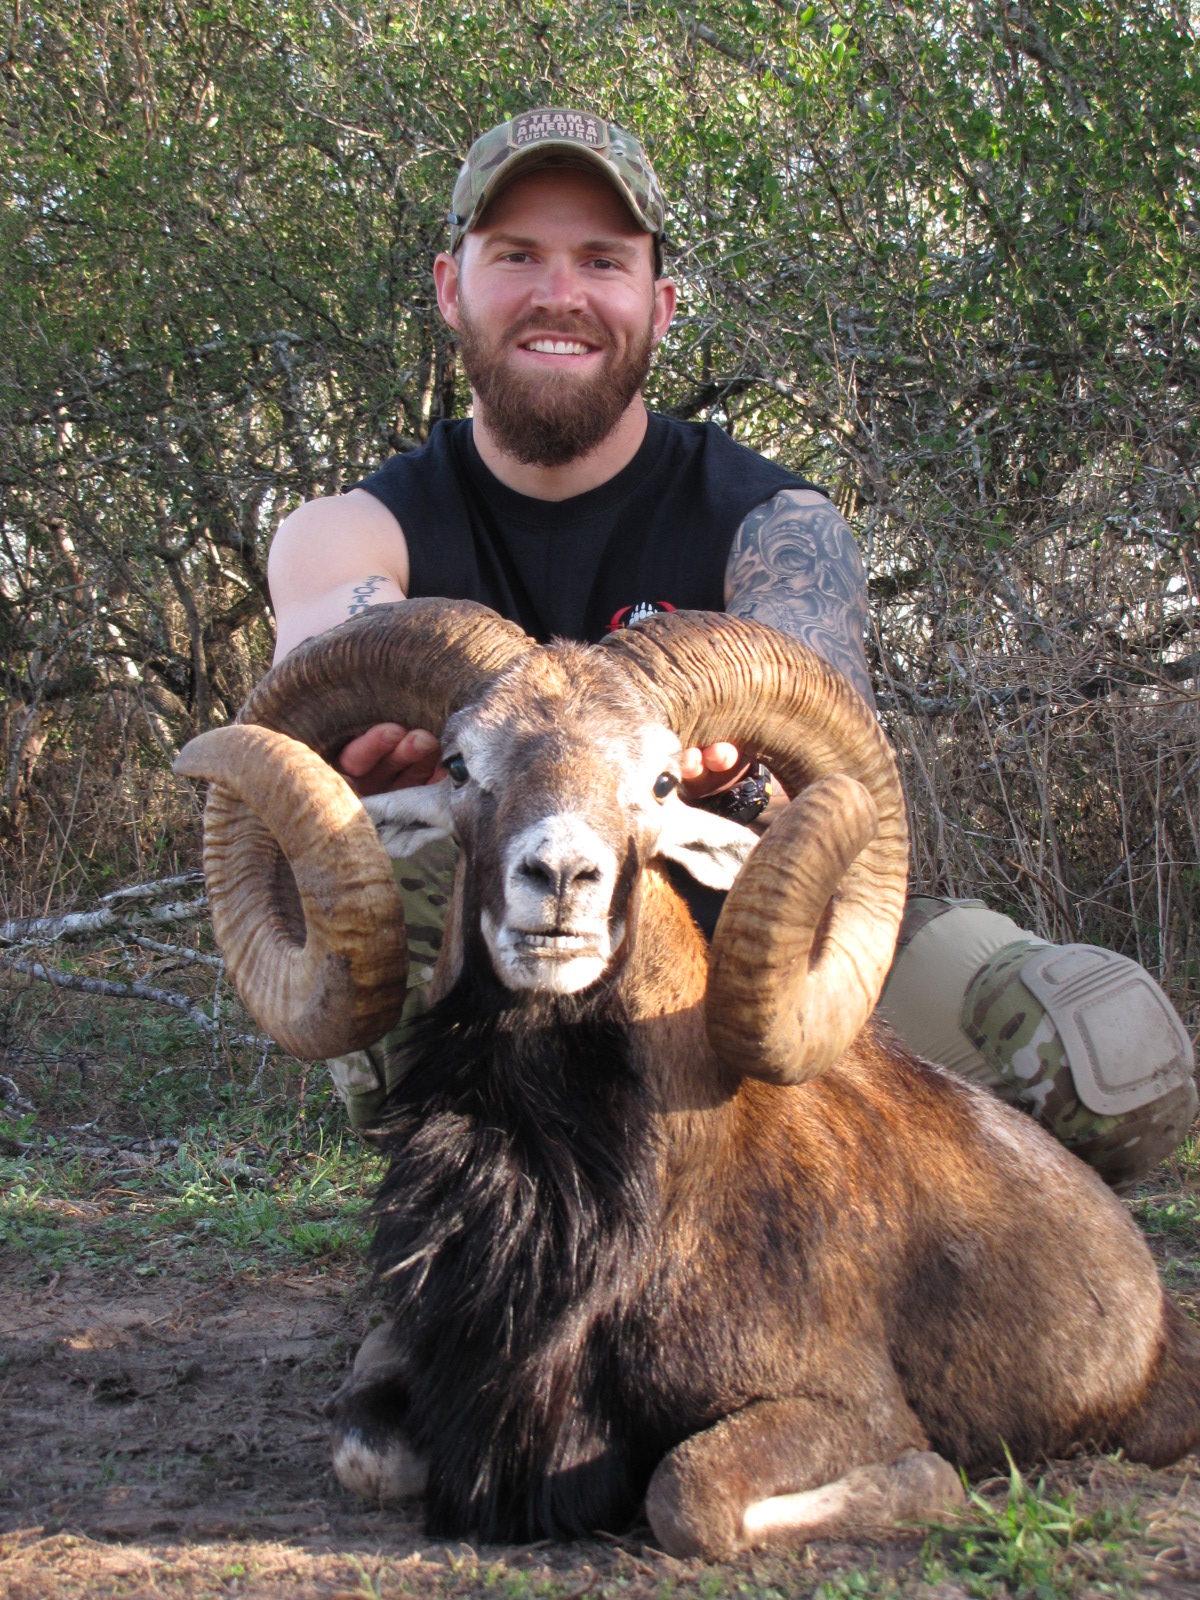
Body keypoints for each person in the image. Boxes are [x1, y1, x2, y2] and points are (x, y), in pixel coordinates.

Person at [268, 107, 1196, 1188]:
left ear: (656, 305)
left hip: (755, 935)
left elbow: (826, 737)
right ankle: (462, 1273)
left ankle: (901, 1270)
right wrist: (376, 751)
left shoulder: (776, 524)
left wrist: (755, 758)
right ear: (449, 287)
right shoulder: (349, 529)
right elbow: (331, 650)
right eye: (516, 255)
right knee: (393, 871)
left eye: (601, 260)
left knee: (1112, 1058)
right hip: (511, 934)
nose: (559, 292)